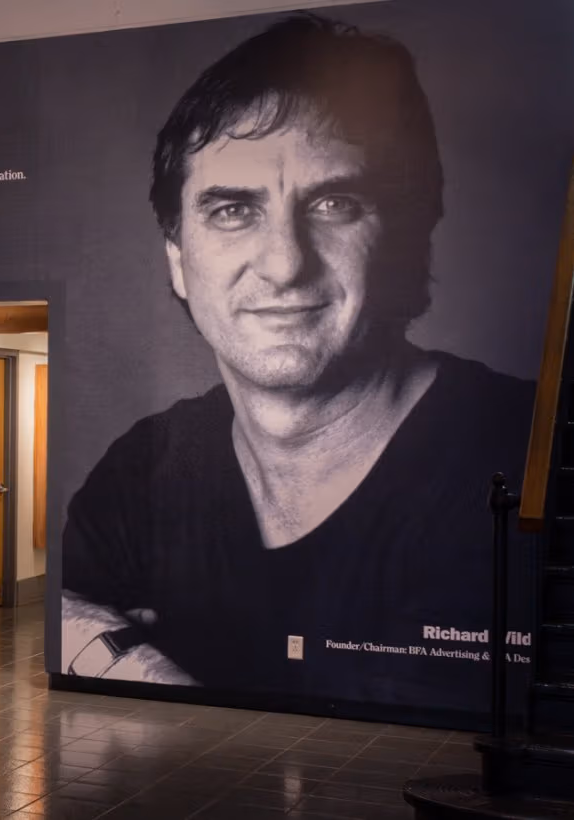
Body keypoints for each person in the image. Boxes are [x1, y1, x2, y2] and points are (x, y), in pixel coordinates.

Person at [60, 14, 534, 710]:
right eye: (231, 211)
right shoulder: (140, 470)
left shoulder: (521, 453)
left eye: (335, 203)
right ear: (178, 261)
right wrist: (122, 651)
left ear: (407, 237)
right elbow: (67, 606)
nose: (285, 264)